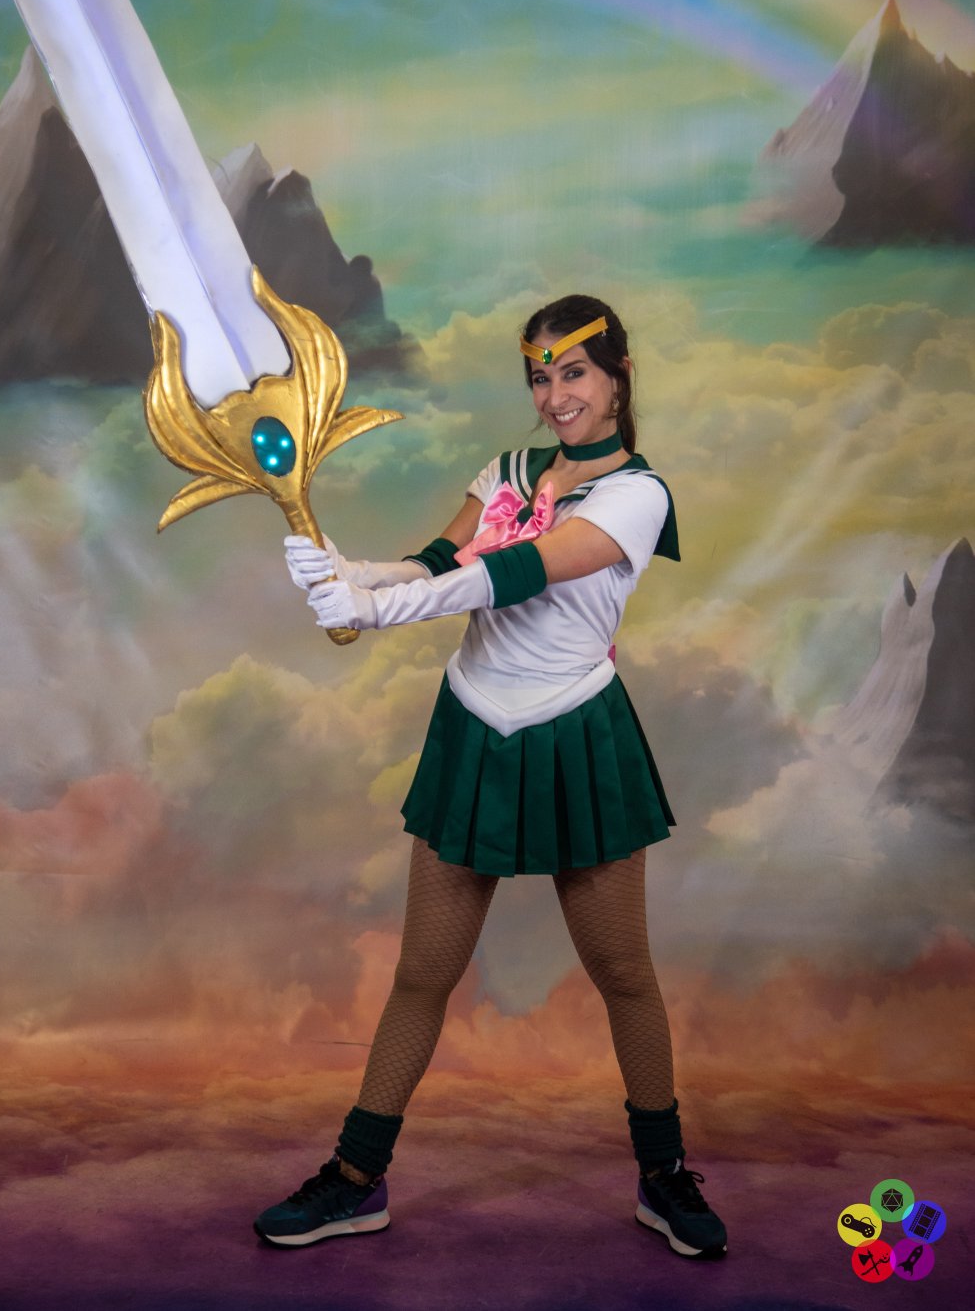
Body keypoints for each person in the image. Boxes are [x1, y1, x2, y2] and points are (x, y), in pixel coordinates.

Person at [253, 294, 727, 1260]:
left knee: (622, 973)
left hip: (575, 735)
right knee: (422, 973)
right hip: (474, 723)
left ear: (618, 376)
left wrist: (378, 611)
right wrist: (354, 571)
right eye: (540, 378)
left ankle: (663, 1174)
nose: (555, 397)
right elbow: (444, 558)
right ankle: (354, 1178)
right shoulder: (507, 471)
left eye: (574, 373)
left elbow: (519, 573)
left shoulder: (638, 494)